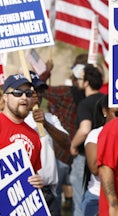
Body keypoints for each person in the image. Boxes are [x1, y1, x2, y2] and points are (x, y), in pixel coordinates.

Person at [0, 74, 44, 215]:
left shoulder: (34, 136)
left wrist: (37, 181)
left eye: (28, 93)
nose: (24, 97)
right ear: (5, 97)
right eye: (17, 93)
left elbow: (32, 174)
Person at [41, 54, 87, 213]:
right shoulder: (90, 96)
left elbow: (41, 89)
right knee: (80, 199)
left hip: (61, 152)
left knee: (54, 194)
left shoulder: (66, 92)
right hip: (79, 153)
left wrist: (46, 72)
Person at [25, 71, 71, 216]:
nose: (37, 95)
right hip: (26, 191)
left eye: (40, 91)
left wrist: (45, 124)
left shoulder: (50, 118)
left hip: (49, 192)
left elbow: (66, 143)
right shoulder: (16, 120)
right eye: (32, 91)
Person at [70, 64, 104, 216]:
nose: (77, 82)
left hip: (85, 157)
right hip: (104, 157)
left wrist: (73, 145)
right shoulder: (106, 100)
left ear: (86, 82)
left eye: (80, 79)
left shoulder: (85, 103)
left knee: (81, 202)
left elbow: (84, 129)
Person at [81, 95, 118, 216]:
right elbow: (94, 168)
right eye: (117, 113)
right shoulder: (95, 134)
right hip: (97, 197)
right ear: (105, 111)